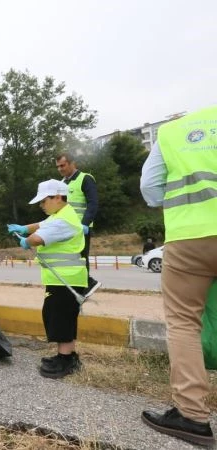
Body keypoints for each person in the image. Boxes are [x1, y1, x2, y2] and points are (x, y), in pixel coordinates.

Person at [138, 105, 217, 447]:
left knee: (185, 322)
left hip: (191, 236)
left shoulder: (171, 132)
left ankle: (192, 416)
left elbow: (151, 187)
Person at [7, 180, 87, 379]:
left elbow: (38, 238)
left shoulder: (62, 220)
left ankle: (66, 360)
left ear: (58, 197)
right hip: (62, 279)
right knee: (57, 316)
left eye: (44, 201)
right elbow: (40, 226)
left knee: (61, 318)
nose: (41, 205)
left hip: (66, 279)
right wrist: (24, 228)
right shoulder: (58, 215)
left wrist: (26, 239)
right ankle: (65, 355)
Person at [56, 153, 101, 298]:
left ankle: (86, 286)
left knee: (81, 258)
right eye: (57, 167)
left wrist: (85, 224)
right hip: (66, 229)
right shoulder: (61, 183)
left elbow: (93, 204)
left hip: (81, 228)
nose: (60, 169)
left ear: (72, 163)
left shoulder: (85, 179)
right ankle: (80, 287)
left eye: (62, 165)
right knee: (70, 259)